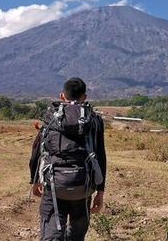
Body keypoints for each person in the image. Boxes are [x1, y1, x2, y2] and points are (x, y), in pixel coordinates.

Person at [29, 77, 107, 241]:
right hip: (83, 186)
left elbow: (38, 149)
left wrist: (35, 180)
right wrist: (100, 192)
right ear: (84, 97)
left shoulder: (51, 117)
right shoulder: (93, 121)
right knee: (77, 235)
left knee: (52, 234)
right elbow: (100, 155)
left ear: (62, 96)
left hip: (54, 185)